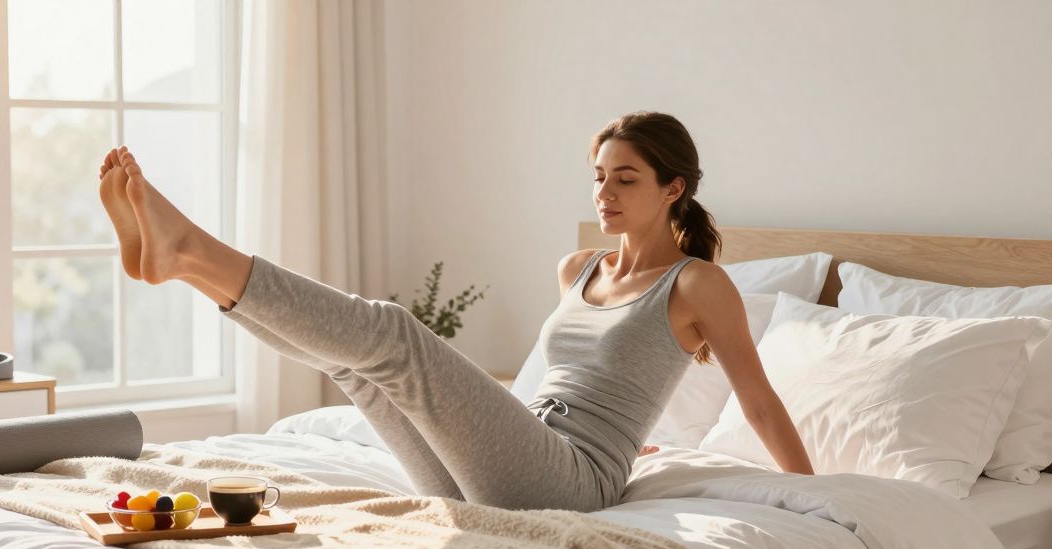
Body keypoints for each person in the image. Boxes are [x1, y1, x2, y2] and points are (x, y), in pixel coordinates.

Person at [96, 110, 812, 512]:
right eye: (599, 177)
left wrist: (822, 500)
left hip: (571, 485)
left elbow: (761, 405)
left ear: (673, 188)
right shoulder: (577, 268)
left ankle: (193, 247)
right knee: (361, 368)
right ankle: (187, 266)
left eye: (627, 179)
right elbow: (567, 385)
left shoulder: (696, 285)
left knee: (392, 334)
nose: (606, 193)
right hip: (516, 461)